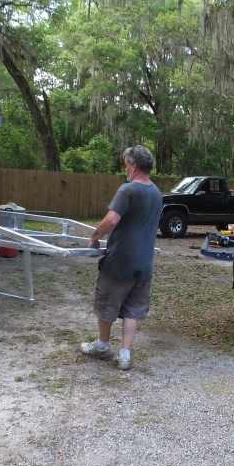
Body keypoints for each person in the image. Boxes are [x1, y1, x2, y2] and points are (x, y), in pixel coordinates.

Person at [80, 145, 163, 370]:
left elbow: (111, 220)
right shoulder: (157, 193)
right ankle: (125, 354)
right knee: (133, 309)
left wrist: (95, 236)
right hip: (144, 263)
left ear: (134, 166)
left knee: (107, 303)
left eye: (127, 164)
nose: (125, 168)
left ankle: (103, 345)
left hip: (120, 262)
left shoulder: (128, 190)